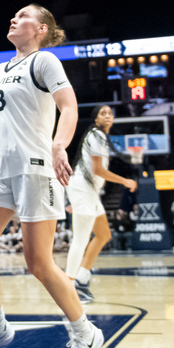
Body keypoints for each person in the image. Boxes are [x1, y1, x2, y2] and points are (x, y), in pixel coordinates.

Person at [0, 4, 103, 348]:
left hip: (36, 171)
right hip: (2, 174)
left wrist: (60, 144)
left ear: (40, 28)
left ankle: (85, 332)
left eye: (23, 16)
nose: (13, 18)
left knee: (38, 263)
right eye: (13, 15)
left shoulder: (45, 62)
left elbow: (68, 106)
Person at [65, 105, 137, 303]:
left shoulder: (99, 137)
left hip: (87, 192)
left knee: (104, 234)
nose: (107, 116)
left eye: (110, 113)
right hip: (82, 190)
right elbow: (98, 170)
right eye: (102, 113)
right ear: (95, 119)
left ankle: (82, 278)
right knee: (80, 240)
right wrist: (125, 181)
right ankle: (69, 287)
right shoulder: (96, 136)